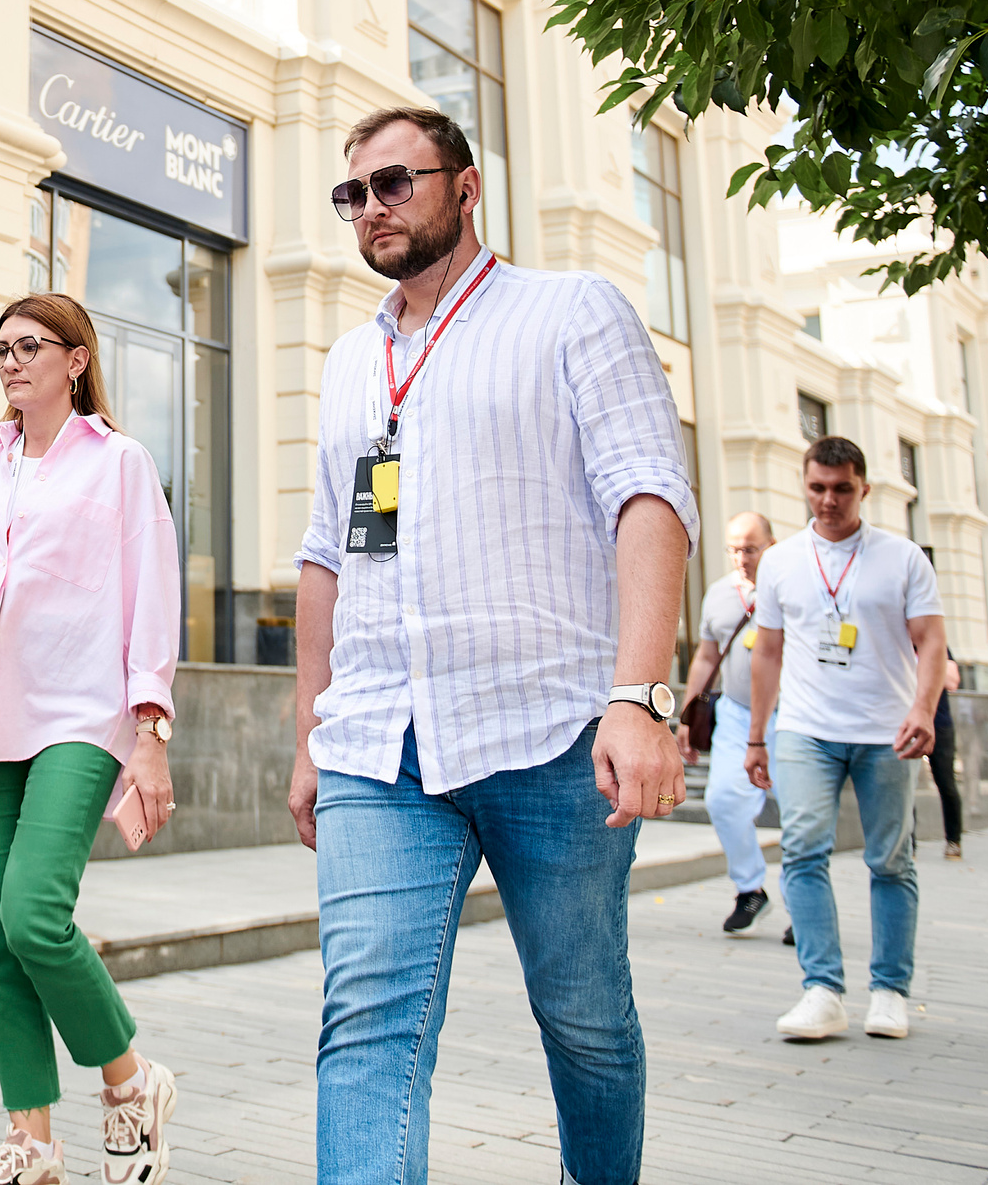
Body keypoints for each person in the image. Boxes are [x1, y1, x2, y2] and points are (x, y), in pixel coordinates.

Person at [288, 105, 696, 1185]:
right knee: (365, 1025)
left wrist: (638, 696)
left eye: (394, 183)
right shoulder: (344, 363)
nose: (370, 207)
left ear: (465, 190)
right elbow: (325, 558)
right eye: (353, 192)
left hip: (550, 731)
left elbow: (649, 498)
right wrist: (305, 742)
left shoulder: (572, 314)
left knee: (584, 1022)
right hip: (377, 747)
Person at [0, 293, 183, 1185]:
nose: (9, 360)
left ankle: (129, 1079)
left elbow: (153, 589)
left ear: (76, 360)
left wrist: (150, 729)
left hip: (83, 713)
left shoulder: (119, 462)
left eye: (28, 345)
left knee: (34, 914)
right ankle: (32, 1141)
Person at [747, 436, 944, 1045]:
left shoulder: (903, 556)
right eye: (817, 487)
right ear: (803, 485)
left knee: (890, 859)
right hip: (806, 730)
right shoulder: (781, 561)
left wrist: (923, 709)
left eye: (841, 488)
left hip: (888, 732)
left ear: (864, 488)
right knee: (802, 852)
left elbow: (931, 641)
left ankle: (889, 991)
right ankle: (822, 991)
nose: (828, 500)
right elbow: (768, 653)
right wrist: (757, 737)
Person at [677, 512, 777, 932]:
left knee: (800, 814)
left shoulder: (789, 589)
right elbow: (705, 656)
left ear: (771, 546)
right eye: (734, 549)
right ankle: (750, 887)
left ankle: (804, 908)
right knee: (721, 799)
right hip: (736, 712)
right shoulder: (718, 594)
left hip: (789, 716)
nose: (741, 557)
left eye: (750, 548)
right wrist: (686, 719)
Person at [928, 646, 966, 859]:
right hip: (902, 722)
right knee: (902, 784)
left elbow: (951, 682)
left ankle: (953, 840)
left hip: (939, 723)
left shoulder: (938, 645)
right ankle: (909, 843)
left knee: (946, 783)